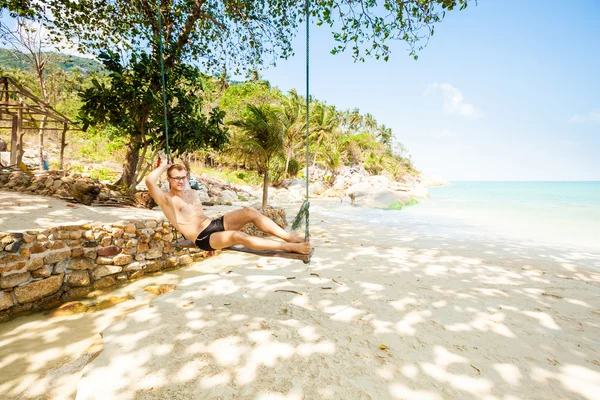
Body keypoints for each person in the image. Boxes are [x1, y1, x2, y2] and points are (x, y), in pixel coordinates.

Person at [145, 162, 311, 254]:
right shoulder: (167, 200)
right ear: (168, 179)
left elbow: (197, 213)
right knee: (237, 236)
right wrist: (163, 166)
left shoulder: (190, 192)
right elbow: (149, 182)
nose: (180, 181)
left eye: (183, 178)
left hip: (213, 225)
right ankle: (288, 247)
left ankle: (288, 237)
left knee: (250, 212)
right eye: (176, 179)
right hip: (203, 239)